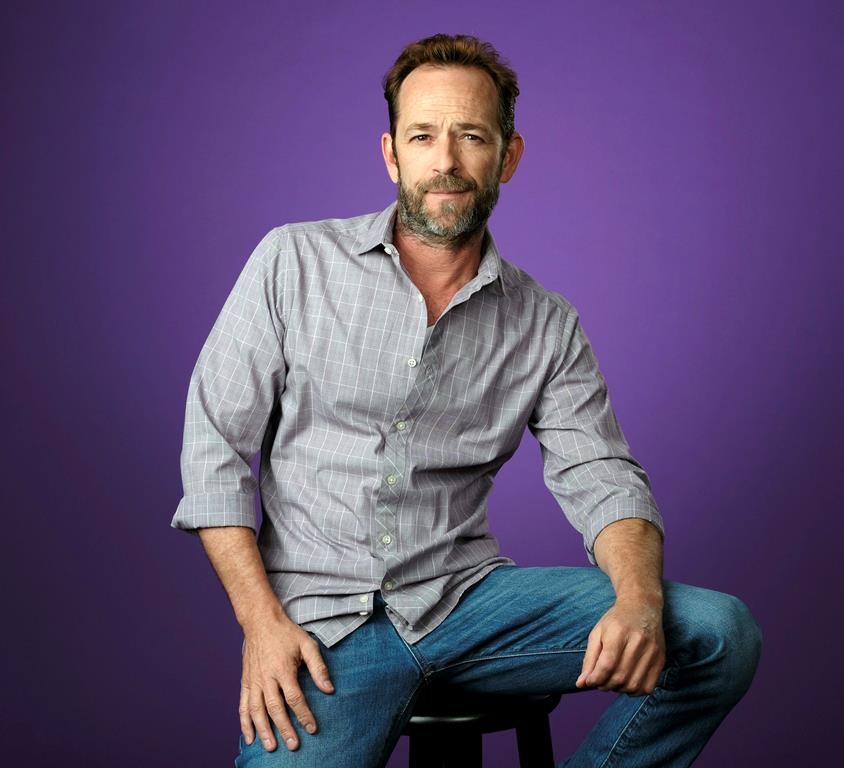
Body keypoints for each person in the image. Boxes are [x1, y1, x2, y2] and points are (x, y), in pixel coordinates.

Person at [172, 33, 762, 768]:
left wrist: (638, 600)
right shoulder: (292, 262)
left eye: (471, 137)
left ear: (507, 156)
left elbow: (603, 477)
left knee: (720, 633)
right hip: (323, 628)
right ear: (392, 154)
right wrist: (261, 625)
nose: (445, 161)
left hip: (471, 605)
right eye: (423, 136)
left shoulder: (546, 322)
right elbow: (214, 451)